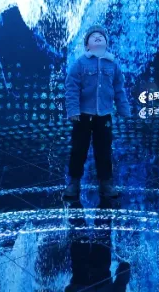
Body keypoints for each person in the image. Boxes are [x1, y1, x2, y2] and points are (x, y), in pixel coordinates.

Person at [64, 25, 130, 200]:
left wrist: (123, 109)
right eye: (93, 37)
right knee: (79, 149)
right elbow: (72, 88)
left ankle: (105, 182)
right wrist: (73, 110)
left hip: (104, 116)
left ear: (106, 43)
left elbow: (119, 88)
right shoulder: (80, 63)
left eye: (101, 36)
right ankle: (74, 182)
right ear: (87, 45)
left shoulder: (113, 64)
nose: (98, 38)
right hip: (83, 116)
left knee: (104, 150)